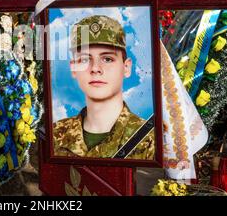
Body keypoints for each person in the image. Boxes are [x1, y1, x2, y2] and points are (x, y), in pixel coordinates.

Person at [53, 15, 155, 159]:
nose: (95, 68)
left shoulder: (150, 140)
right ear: (74, 68)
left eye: (107, 59)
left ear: (126, 67)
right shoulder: (55, 135)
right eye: (84, 59)